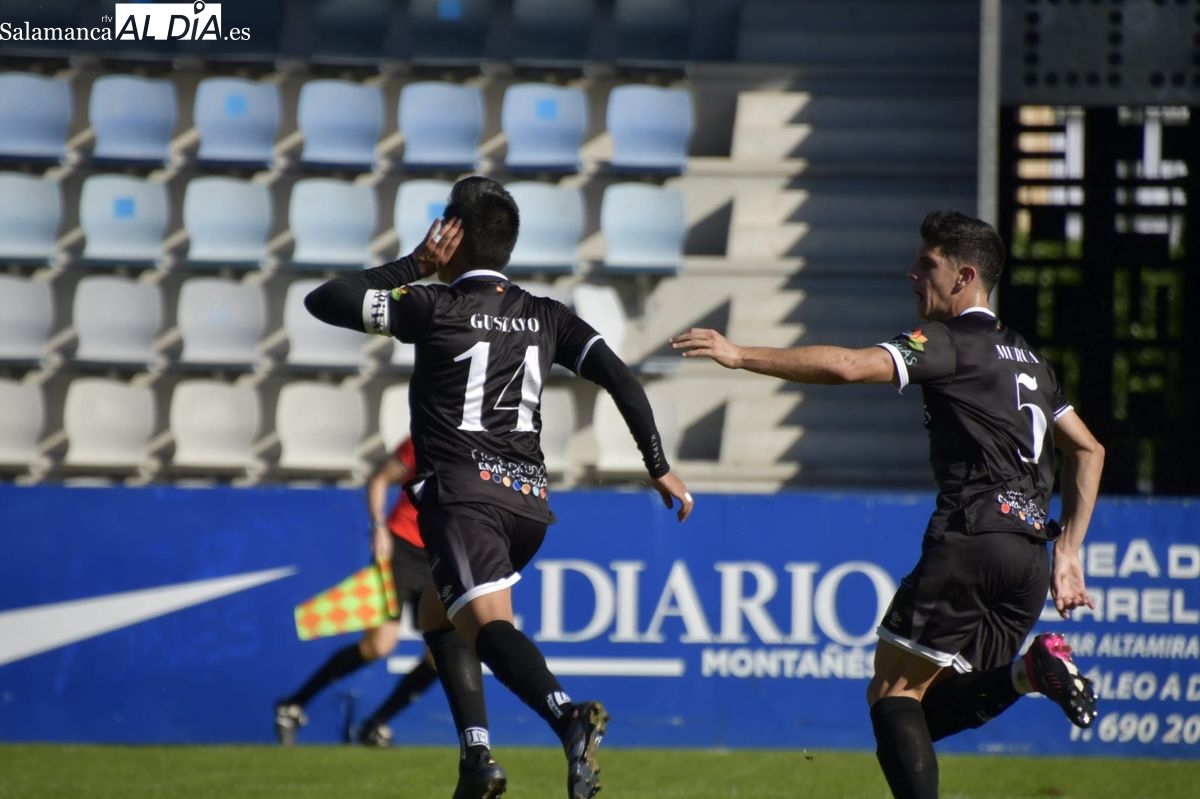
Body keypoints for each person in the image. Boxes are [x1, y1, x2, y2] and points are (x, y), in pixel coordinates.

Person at [671, 210, 1104, 799]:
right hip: (1027, 557)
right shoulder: (1029, 359)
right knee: (919, 710)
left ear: (964, 277)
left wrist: (740, 353)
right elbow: (1090, 448)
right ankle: (1031, 672)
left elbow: (848, 366)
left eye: (927, 265)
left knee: (892, 695)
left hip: (972, 537)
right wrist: (1069, 552)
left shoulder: (948, 342)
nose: (911, 274)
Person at [305, 176, 695, 799]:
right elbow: (623, 379)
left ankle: (567, 716)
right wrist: (657, 464)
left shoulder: (431, 306)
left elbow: (325, 299)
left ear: (449, 236)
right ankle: (475, 761)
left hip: (463, 499)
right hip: (527, 507)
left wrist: (416, 265)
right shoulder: (547, 315)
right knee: (440, 617)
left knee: (487, 626)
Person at [274, 437, 439, 748]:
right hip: (401, 548)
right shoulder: (426, 437)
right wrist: (378, 526)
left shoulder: (478, 446)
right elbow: (380, 478)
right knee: (378, 646)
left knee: (440, 656)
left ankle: (376, 725)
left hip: (440, 556)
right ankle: (293, 705)